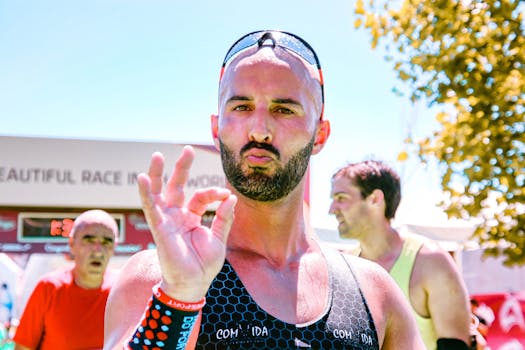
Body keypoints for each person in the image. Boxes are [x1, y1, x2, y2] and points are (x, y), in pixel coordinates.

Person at [104, 30, 425, 349]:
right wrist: (179, 297)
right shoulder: (159, 276)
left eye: (284, 109)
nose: (259, 130)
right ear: (217, 129)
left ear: (320, 134)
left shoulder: (372, 290)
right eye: (241, 107)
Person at [329, 160, 473, 350]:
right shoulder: (343, 268)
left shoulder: (430, 262)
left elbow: (456, 347)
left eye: (341, 197)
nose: (331, 210)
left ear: (375, 199)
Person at [13, 209, 118, 350]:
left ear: (114, 248)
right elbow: (23, 347)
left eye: (106, 242)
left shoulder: (121, 290)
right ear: (72, 244)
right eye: (89, 240)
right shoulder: (49, 287)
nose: (98, 250)